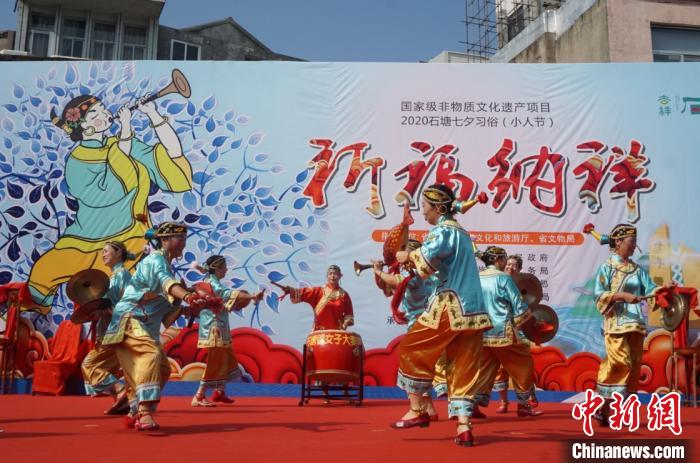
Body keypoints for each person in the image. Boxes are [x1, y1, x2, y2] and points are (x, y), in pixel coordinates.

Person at [28, 92, 193, 313]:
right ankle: (29, 324)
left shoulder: (120, 144)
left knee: (130, 292)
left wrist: (154, 116)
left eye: (104, 109)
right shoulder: (77, 162)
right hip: (84, 239)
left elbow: (172, 153)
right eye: (96, 113)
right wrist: (125, 131)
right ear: (85, 128)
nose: (106, 114)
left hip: (130, 236)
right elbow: (111, 187)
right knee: (43, 272)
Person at [394, 184, 492, 447]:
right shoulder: (462, 233)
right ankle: (464, 427)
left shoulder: (443, 231)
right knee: (462, 366)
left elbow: (425, 265)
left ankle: (417, 409)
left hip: (450, 305)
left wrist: (407, 255)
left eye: (425, 206)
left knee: (412, 348)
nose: (423, 212)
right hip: (473, 310)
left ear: (438, 208)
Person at [102, 222, 207, 431]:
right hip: (131, 318)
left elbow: (167, 317)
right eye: (180, 239)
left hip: (145, 324)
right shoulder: (155, 261)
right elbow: (167, 282)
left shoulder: (165, 264)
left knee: (162, 368)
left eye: (185, 240)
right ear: (165, 240)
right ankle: (145, 411)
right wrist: (187, 295)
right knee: (151, 355)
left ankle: (134, 409)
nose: (183, 245)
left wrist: (188, 308)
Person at [587, 224, 664, 426]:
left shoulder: (637, 270)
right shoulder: (607, 267)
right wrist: (622, 296)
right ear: (618, 242)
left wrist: (663, 291)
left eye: (635, 242)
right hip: (616, 324)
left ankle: (609, 412)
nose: (634, 246)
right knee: (621, 363)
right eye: (631, 241)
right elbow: (599, 294)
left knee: (635, 366)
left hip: (636, 324)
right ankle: (602, 407)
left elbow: (652, 289)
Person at [373, 239, 443, 420]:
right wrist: (379, 276)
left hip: (419, 325)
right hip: (429, 323)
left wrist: (379, 271)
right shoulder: (431, 274)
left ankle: (417, 408)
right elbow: (389, 290)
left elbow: (396, 281)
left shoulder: (414, 274)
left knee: (412, 364)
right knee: (423, 365)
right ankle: (429, 409)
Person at [472, 247, 543, 419]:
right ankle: (524, 405)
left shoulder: (477, 277)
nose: (506, 264)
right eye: (504, 260)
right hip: (502, 331)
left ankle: (473, 406)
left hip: (481, 332)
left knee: (484, 369)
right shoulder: (503, 278)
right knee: (523, 364)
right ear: (498, 260)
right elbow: (519, 306)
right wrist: (533, 323)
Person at [190, 255, 264, 407]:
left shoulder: (213, 283)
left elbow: (232, 302)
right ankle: (199, 395)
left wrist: (248, 299)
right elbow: (232, 294)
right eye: (224, 267)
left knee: (227, 359)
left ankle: (219, 391)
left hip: (220, 326)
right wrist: (252, 296)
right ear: (217, 269)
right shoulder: (213, 285)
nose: (226, 269)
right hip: (214, 328)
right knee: (215, 362)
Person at [81, 241, 133, 415]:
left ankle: (120, 390)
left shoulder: (121, 274)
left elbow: (125, 304)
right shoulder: (114, 276)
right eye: (102, 252)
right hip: (110, 330)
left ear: (118, 253)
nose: (103, 254)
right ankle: (123, 401)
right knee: (106, 367)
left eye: (106, 251)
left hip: (116, 330)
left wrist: (103, 311)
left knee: (89, 365)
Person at [492, 254, 539, 414]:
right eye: (508, 264)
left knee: (523, 368)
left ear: (519, 271)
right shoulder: (495, 282)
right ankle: (504, 402)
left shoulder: (523, 288)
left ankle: (524, 403)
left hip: (516, 333)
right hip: (497, 332)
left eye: (514, 266)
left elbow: (525, 310)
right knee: (499, 369)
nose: (510, 267)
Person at [280, 265, 353, 331]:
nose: (333, 276)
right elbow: (303, 292)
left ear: (340, 276)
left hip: (337, 334)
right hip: (319, 333)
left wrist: (344, 326)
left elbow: (349, 316)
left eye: (335, 274)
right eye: (330, 274)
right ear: (327, 276)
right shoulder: (318, 291)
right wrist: (290, 290)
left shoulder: (344, 295)